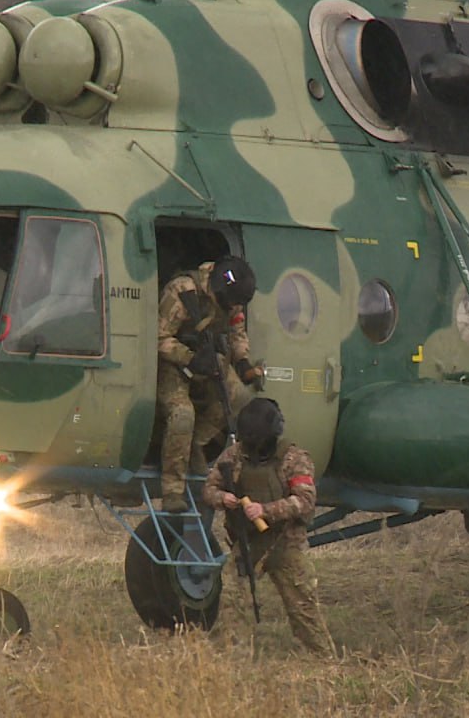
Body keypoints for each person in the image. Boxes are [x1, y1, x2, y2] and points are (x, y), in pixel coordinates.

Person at [202, 398, 334, 655]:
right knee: (232, 599)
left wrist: (266, 510)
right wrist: (222, 498)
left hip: (286, 544)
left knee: (303, 608)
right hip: (249, 543)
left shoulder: (295, 459)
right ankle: (233, 656)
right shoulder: (234, 456)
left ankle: (322, 659)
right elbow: (209, 489)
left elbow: (305, 501)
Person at [157, 255, 263, 512]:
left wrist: (243, 362)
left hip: (208, 360)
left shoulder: (231, 299)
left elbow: (237, 332)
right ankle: (172, 489)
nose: (231, 308)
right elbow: (159, 338)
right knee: (183, 415)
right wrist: (190, 358)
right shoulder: (183, 290)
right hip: (172, 363)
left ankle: (194, 443)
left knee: (240, 399)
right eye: (229, 303)